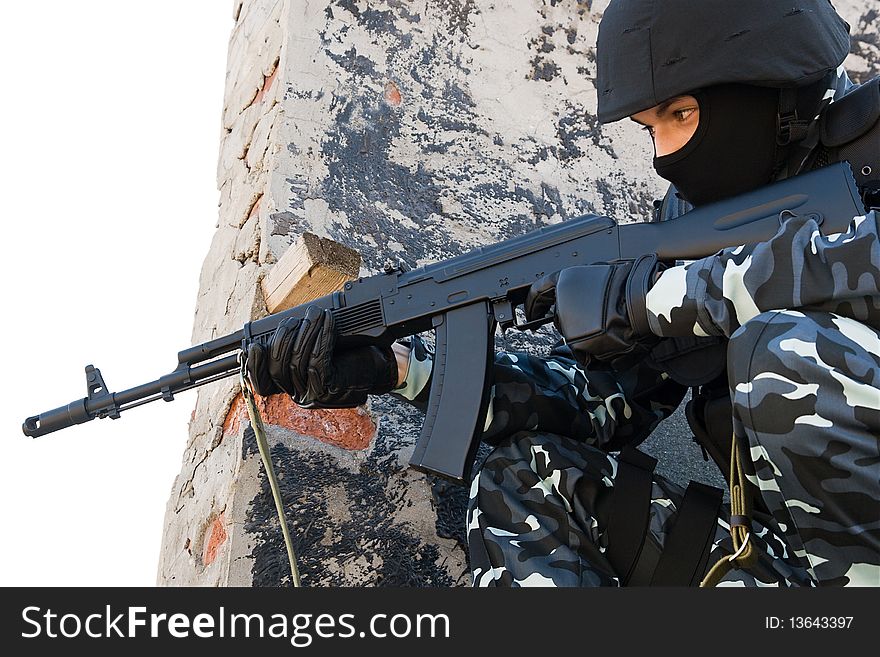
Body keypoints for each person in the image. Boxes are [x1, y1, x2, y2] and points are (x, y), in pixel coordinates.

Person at [247, 0, 880, 587]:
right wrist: (400, 371)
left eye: (682, 116)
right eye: (648, 128)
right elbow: (607, 404)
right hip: (782, 575)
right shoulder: (684, 224)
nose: (664, 155)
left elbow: (854, 261)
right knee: (520, 480)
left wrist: (653, 298)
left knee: (788, 354)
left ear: (766, 87)